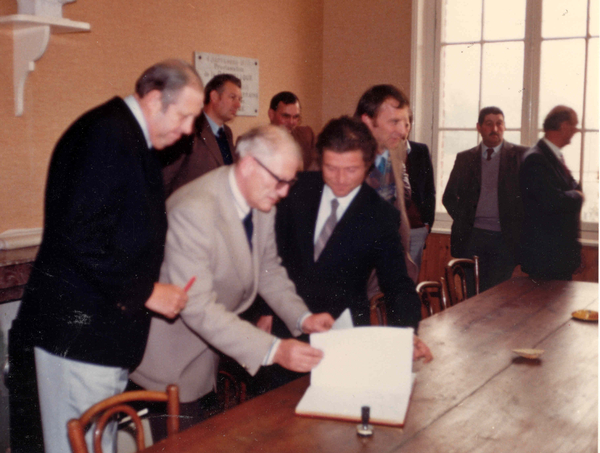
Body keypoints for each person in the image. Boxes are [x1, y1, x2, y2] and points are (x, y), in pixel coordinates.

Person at [7, 60, 202, 453]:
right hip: (79, 336)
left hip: (99, 334)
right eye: (184, 116)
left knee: (98, 444)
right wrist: (146, 291)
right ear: (152, 99)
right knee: (77, 446)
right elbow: (80, 238)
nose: (187, 130)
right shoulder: (106, 136)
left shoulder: (127, 136)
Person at [129, 124, 334, 439]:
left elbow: (269, 270)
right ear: (250, 165)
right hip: (170, 362)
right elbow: (196, 306)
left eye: (289, 182)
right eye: (280, 181)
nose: (284, 193)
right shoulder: (194, 210)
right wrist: (275, 350)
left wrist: (302, 317)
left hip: (208, 353)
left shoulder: (260, 199)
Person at [248, 116, 432, 394]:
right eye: (331, 168)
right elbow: (266, 253)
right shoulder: (294, 190)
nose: (341, 179)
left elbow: (397, 284)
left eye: (351, 169)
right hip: (281, 324)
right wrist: (263, 310)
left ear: (368, 163)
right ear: (320, 160)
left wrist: (407, 332)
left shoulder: (379, 216)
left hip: (340, 334)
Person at [442, 106, 527, 293]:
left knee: (497, 295)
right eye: (489, 124)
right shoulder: (465, 158)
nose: (495, 129)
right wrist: (465, 218)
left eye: (499, 123)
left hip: (505, 240)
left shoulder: (521, 156)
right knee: (471, 294)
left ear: (504, 127)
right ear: (479, 127)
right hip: (472, 238)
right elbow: (448, 197)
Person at [355, 85, 418, 283]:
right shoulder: (339, 160)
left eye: (405, 123)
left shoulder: (394, 153)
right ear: (367, 121)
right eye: (394, 122)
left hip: (389, 270)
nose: (402, 132)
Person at [519, 105, 583, 280]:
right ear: (563, 126)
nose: (576, 130)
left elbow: (570, 189)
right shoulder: (536, 159)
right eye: (574, 125)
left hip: (558, 258)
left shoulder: (554, 156)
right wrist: (577, 196)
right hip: (546, 259)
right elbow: (552, 201)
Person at [161, 73, 242, 197]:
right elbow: (164, 179)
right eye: (232, 97)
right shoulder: (187, 128)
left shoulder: (227, 133)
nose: (238, 105)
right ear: (214, 96)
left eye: (239, 99)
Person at [405, 109, 436, 272]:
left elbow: (430, 190)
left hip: (417, 229)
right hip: (391, 230)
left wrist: (427, 224)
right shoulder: (381, 153)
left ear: (410, 126)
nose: (401, 129)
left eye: (406, 124)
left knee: (411, 279)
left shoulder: (421, 151)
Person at [268, 91, 318, 170]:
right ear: (271, 114)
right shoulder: (255, 142)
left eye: (296, 117)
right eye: (285, 116)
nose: (291, 122)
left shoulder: (307, 136)